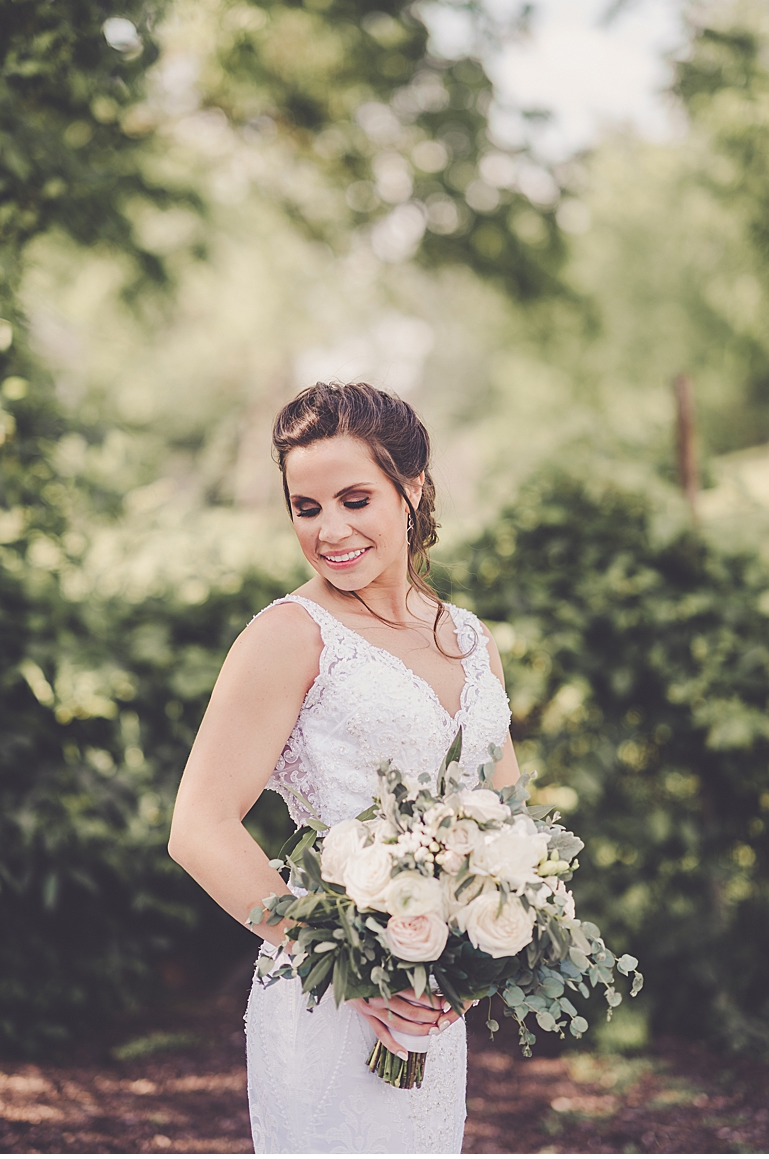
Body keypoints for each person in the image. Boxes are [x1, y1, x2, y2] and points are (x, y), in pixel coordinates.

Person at [167, 383, 519, 1153]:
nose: (330, 530)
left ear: (412, 487)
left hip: (433, 1003)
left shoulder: (472, 639)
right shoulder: (289, 637)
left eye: (355, 498)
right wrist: (347, 958)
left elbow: (508, 825)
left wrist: (471, 951)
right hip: (328, 997)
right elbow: (198, 827)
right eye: (306, 507)